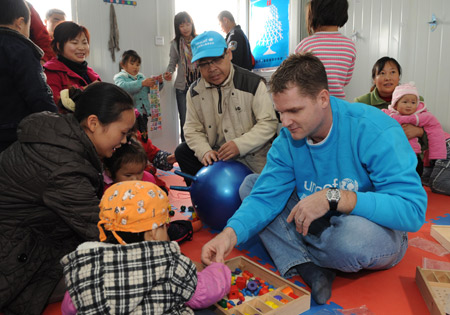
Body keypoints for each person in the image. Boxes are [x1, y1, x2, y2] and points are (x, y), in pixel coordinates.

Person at [201, 53, 427, 305]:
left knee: (351, 241)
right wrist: (228, 236)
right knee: (251, 186)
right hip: (317, 217)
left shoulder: (374, 130)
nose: (285, 123)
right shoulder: (289, 137)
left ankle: (297, 249)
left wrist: (336, 197)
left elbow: (412, 212)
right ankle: (309, 265)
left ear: (322, 99)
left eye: (294, 110)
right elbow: (265, 196)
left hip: (367, 226)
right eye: (280, 112)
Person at [0, 82, 136, 314]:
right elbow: (99, 228)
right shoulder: (62, 165)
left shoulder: (62, 138)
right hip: (15, 257)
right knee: (122, 273)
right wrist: (149, 240)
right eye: (123, 133)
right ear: (93, 123)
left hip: (31, 236)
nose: (124, 141)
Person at [60, 181, 231, 315]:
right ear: (154, 233)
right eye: (165, 226)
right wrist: (219, 269)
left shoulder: (86, 265)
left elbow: (69, 307)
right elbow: (204, 293)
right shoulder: (171, 263)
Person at [175, 30, 278, 181]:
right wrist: (205, 152)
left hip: (250, 157)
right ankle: (201, 199)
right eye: (204, 64)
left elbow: (268, 123)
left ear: (228, 54)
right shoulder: (194, 92)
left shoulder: (253, 83)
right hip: (216, 156)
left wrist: (239, 145)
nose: (212, 69)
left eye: (216, 60)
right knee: (182, 151)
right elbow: (191, 129)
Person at [0, 0, 57, 153]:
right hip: (12, 133)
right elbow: (38, 93)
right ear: (20, 23)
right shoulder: (21, 50)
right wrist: (56, 121)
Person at [295, 0, 356, 99]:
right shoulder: (350, 46)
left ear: (313, 15)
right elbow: (346, 81)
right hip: (338, 104)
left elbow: (296, 80)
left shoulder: (305, 45)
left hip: (311, 104)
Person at [382, 82, 447, 175]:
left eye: (413, 102)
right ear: (395, 104)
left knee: (416, 172)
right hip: (394, 155)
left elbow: (435, 130)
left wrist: (437, 154)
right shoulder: (388, 115)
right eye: (405, 102)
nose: (409, 105)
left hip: (413, 155)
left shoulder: (421, 116)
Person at [44, 21, 101, 106]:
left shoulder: (89, 72)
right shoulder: (51, 72)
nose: (82, 48)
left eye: (85, 43)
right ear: (59, 46)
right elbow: (55, 105)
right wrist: (87, 89)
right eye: (74, 43)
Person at [164, 11, 199, 142]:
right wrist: (168, 72)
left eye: (187, 23)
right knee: (185, 121)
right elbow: (172, 63)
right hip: (182, 88)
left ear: (192, 24)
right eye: (181, 25)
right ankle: (186, 151)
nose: (185, 28)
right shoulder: (175, 44)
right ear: (177, 28)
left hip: (199, 86)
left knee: (201, 119)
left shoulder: (199, 41)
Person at [114, 49, 164, 117]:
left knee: (143, 128)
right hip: (129, 114)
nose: (135, 67)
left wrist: (158, 83)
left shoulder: (141, 77)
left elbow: (150, 89)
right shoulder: (120, 77)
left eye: (137, 65)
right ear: (123, 65)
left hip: (143, 112)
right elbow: (123, 88)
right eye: (132, 64)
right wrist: (142, 83)